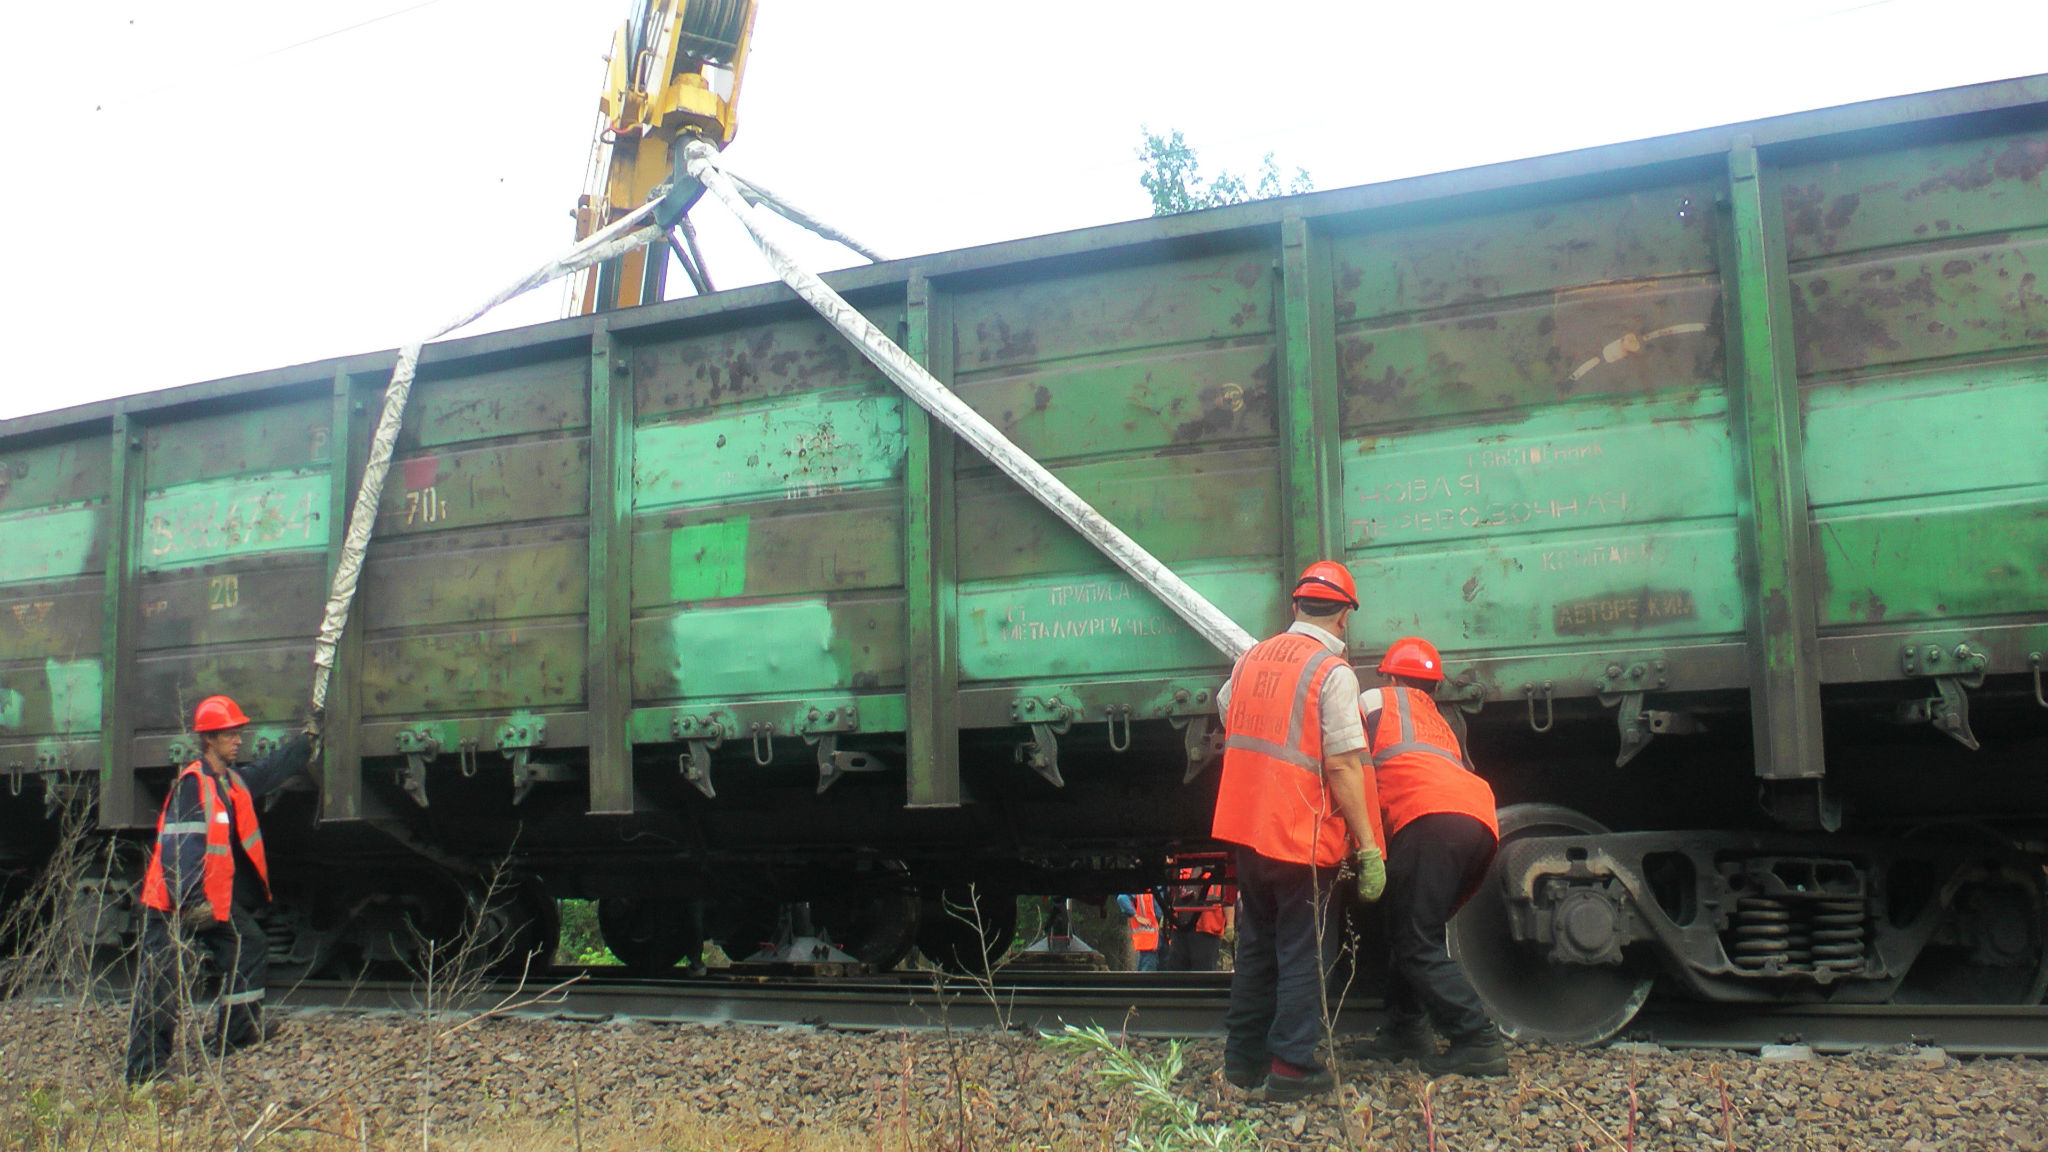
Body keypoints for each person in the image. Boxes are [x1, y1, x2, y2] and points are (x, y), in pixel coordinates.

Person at [1211, 561, 1386, 1100]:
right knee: (1305, 953)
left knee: (1257, 950)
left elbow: (1226, 712)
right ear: (1344, 618)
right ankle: (1291, 1068)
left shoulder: (1249, 659)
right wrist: (1369, 846)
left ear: (1295, 607)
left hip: (1248, 830)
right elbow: (1342, 766)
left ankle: (1242, 1063)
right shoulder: (1331, 674)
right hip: (1300, 837)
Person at [125, 695, 317, 1085]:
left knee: (249, 945)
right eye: (231, 734)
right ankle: (144, 1072)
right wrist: (192, 902)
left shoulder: (231, 782)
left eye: (238, 732)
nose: (239, 740)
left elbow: (268, 770)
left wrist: (306, 744)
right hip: (175, 903)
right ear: (210, 738)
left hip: (210, 902)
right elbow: (182, 847)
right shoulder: (193, 785)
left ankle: (237, 1035)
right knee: (160, 981)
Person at [1349, 636, 1507, 1077]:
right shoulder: (1438, 720)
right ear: (1433, 687)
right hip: (1476, 819)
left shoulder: (1374, 699)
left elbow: (1343, 754)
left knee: (1414, 939)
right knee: (1416, 928)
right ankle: (1405, 1029)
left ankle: (1477, 1039)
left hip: (1429, 816)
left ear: (1390, 675)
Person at [1160, 864, 1234, 972]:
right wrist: (1167, 916)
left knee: (1203, 975)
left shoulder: (1219, 866)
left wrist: (1230, 924)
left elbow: (1228, 899)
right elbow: (1173, 894)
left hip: (1207, 930)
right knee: (1176, 975)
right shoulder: (1182, 866)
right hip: (1180, 928)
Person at [1117, 892, 1162, 971]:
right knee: (1147, 974)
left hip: (1161, 939)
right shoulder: (1141, 890)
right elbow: (1121, 898)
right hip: (1148, 941)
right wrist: (1136, 916)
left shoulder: (1160, 889)